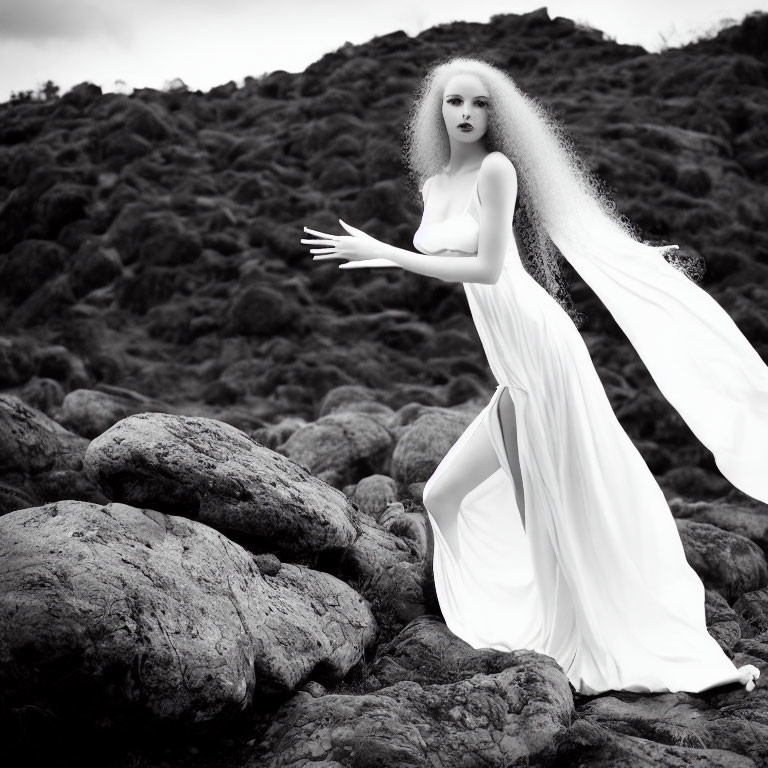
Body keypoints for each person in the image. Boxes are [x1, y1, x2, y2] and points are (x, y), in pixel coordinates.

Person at [301, 56, 764, 695]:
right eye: (454, 102)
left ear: (497, 114)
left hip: (538, 349)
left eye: (480, 104)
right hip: (511, 364)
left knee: (539, 501)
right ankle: (501, 617)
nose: (465, 114)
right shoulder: (436, 184)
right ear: (435, 111)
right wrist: (397, 253)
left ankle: (560, 645)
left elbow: (490, 267)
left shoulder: (498, 169)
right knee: (440, 498)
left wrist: (385, 254)